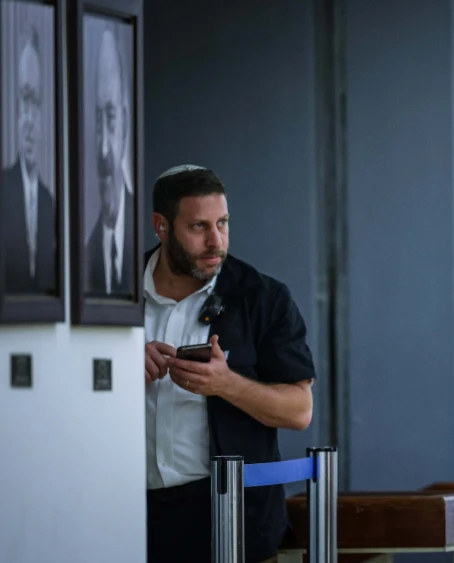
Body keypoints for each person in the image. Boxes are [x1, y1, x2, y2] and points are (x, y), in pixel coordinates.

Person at [143, 164, 316, 563]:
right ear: (161, 226)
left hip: (232, 520)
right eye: (199, 227)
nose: (216, 241)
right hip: (120, 512)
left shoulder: (264, 297)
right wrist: (120, 368)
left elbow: (299, 410)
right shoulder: (111, 293)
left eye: (222, 223)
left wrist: (225, 384)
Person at [1, 26, 56, 295]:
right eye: (24, 100)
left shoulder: (50, 203)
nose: (29, 120)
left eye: (36, 103)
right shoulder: (3, 189)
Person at [86, 28, 133, 296]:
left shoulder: (157, 251)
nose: (103, 148)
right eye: (97, 119)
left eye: (111, 117)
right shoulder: (83, 253)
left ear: (125, 124)